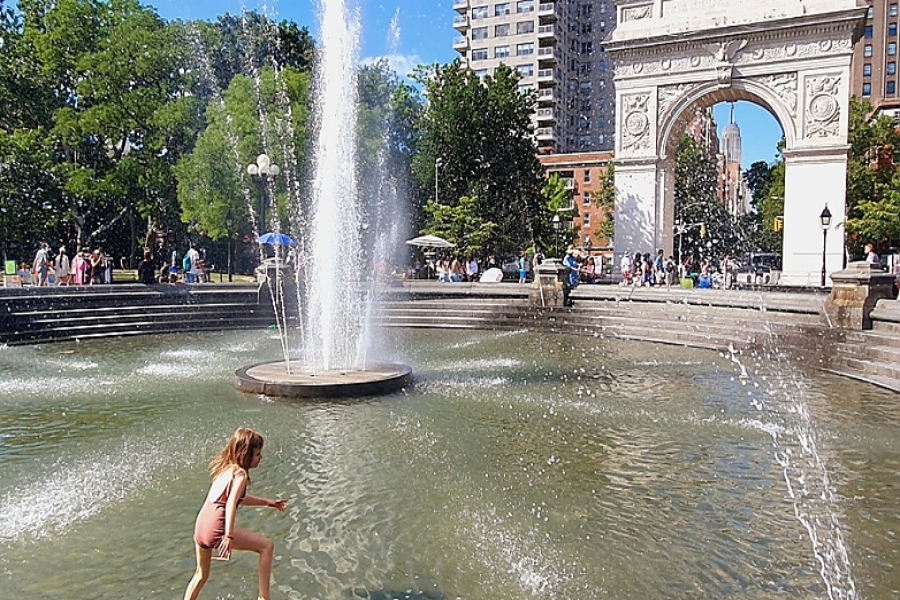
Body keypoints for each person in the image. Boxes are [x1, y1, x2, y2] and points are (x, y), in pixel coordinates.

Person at [184, 427, 287, 600]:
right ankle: (264, 598)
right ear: (246, 455)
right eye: (257, 454)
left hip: (201, 526)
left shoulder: (226, 469)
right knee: (267, 546)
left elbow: (237, 498)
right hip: (217, 529)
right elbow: (231, 502)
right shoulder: (240, 475)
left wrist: (268, 502)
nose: (260, 458)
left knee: (201, 575)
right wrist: (228, 536)